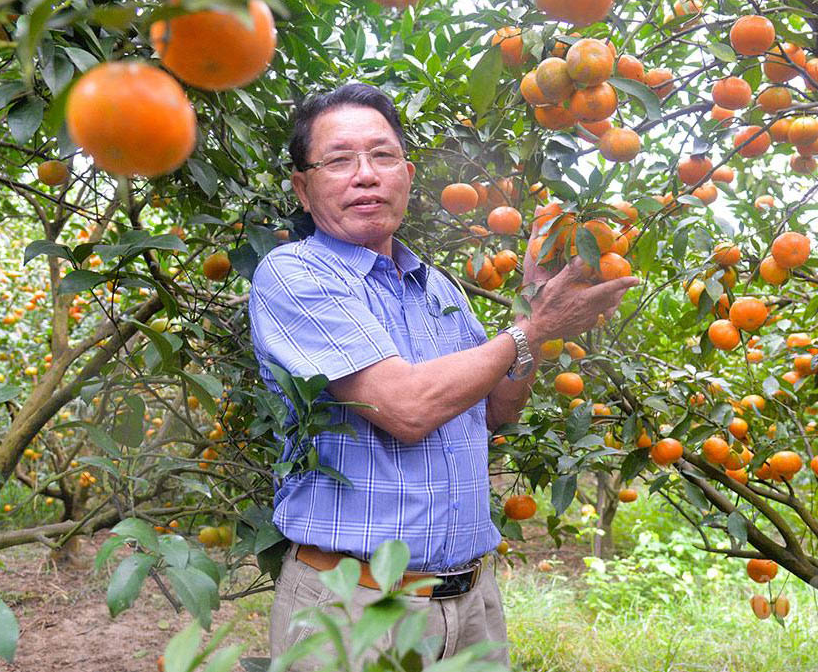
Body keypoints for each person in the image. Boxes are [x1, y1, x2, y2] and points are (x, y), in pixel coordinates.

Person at [249, 83, 638, 668]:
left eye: (382, 156)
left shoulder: (439, 289)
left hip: (471, 605)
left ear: (407, 176)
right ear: (303, 189)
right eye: (339, 160)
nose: (365, 175)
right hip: (354, 607)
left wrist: (533, 312)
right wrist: (532, 329)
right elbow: (405, 409)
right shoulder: (294, 275)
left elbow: (497, 409)